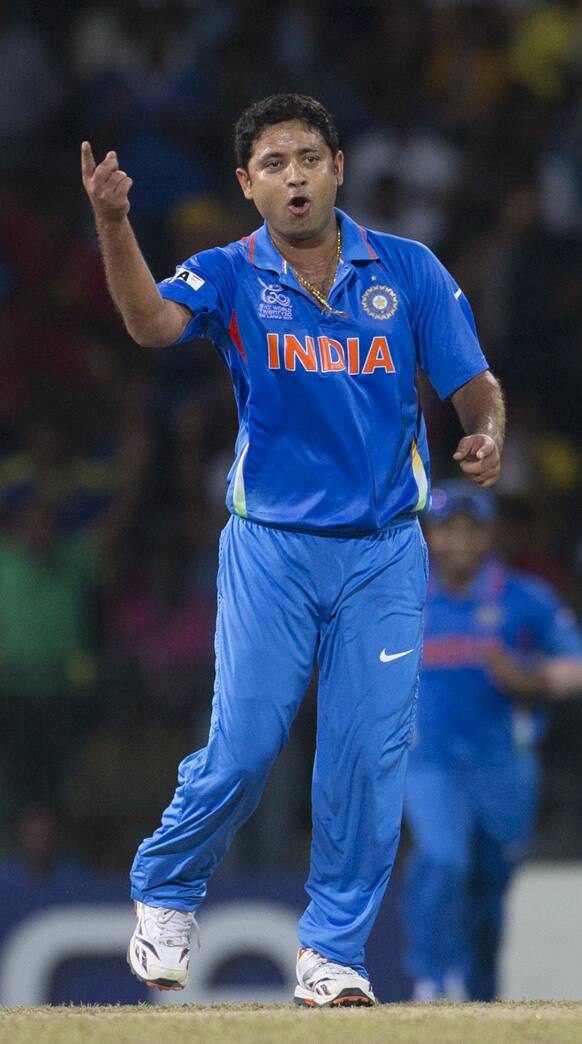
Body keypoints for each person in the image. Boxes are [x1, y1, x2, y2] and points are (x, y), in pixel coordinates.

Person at [81, 93, 504, 1007]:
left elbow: (474, 383)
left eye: (309, 157)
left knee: (366, 753)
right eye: (273, 164)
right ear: (247, 185)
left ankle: (332, 954)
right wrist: (116, 223)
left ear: (339, 167)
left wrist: (487, 432)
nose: (295, 176)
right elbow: (151, 325)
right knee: (242, 746)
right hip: (272, 547)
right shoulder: (228, 274)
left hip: (386, 552)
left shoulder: (410, 270)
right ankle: (165, 889)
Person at [404, 480, 582, 1002]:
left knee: (490, 886)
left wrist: (533, 680)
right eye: (447, 530)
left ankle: (479, 993)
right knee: (441, 859)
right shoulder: (406, 597)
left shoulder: (524, 598)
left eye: (470, 531)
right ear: (432, 537)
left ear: (489, 536)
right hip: (429, 762)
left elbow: (576, 665)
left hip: (503, 767)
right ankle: (430, 980)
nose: (458, 542)